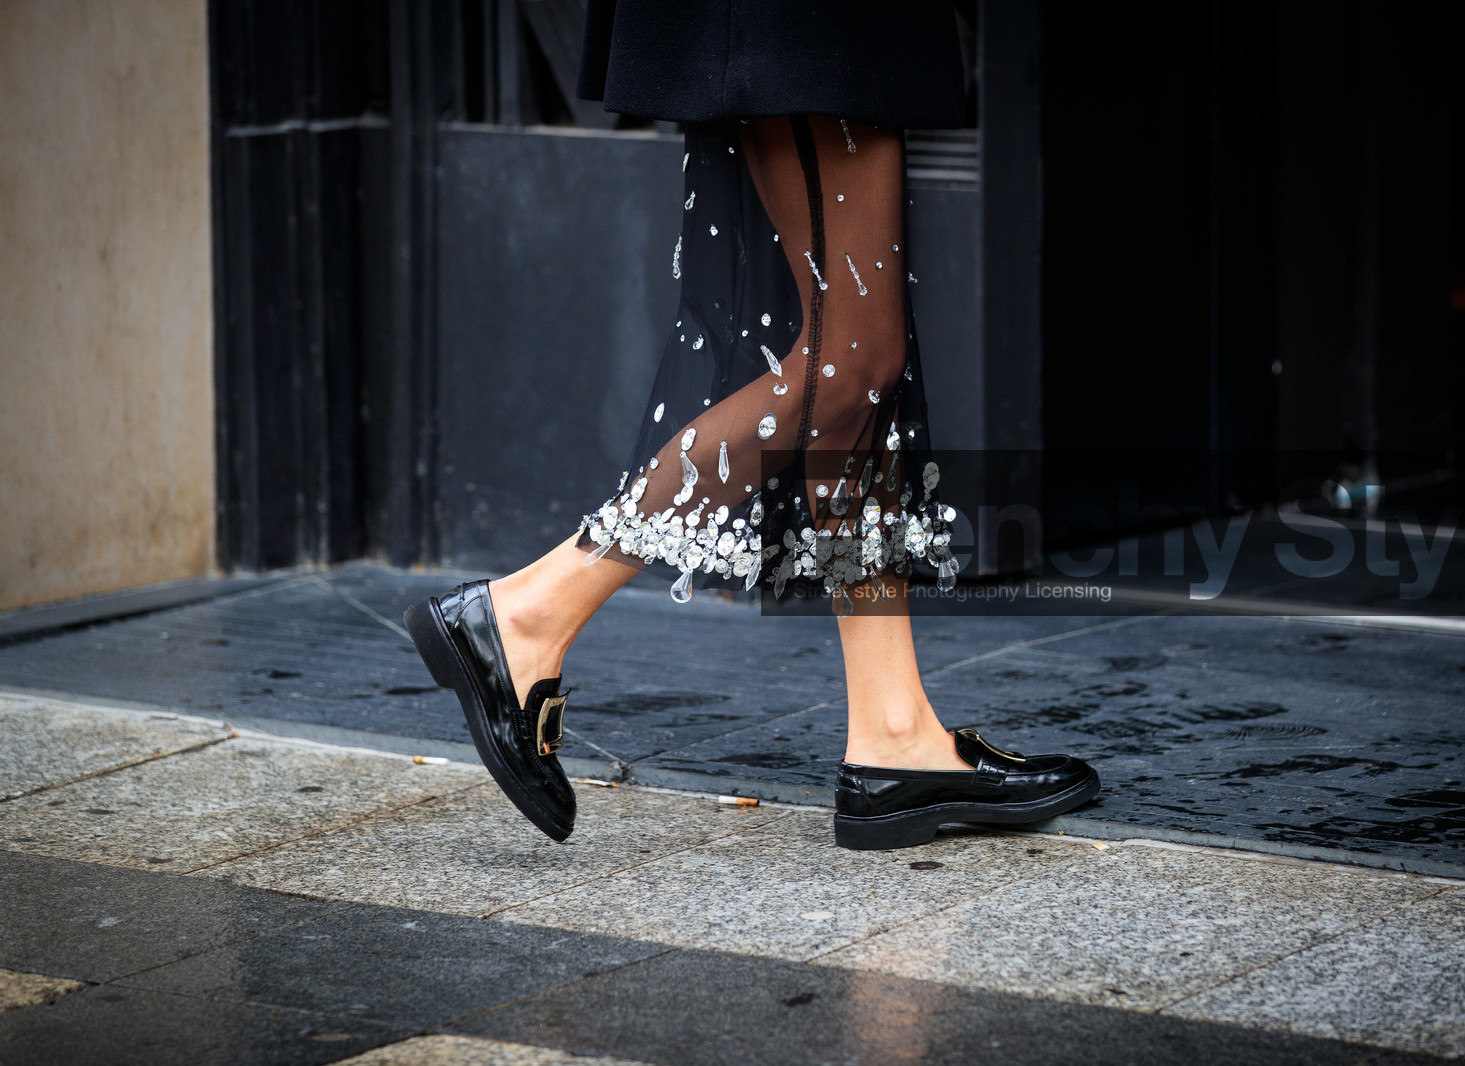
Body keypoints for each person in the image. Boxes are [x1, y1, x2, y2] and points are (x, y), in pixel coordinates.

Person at [403, 0, 1098, 850]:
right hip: (793, 25)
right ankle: (527, 612)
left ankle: (893, 735)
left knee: (852, 362)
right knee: (854, 363)